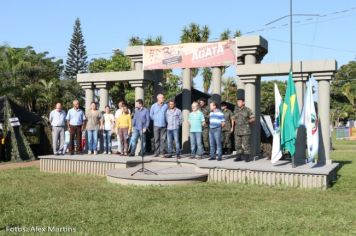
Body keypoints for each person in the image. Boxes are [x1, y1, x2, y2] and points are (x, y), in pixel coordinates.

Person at [233, 89, 255, 162]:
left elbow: (253, 118)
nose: (238, 103)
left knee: (246, 144)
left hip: (246, 130)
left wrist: (247, 122)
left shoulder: (248, 110)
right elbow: (233, 117)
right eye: (237, 101)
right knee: (237, 144)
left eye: (239, 101)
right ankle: (238, 157)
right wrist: (235, 122)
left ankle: (247, 157)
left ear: (243, 102)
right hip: (237, 130)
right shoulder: (236, 110)